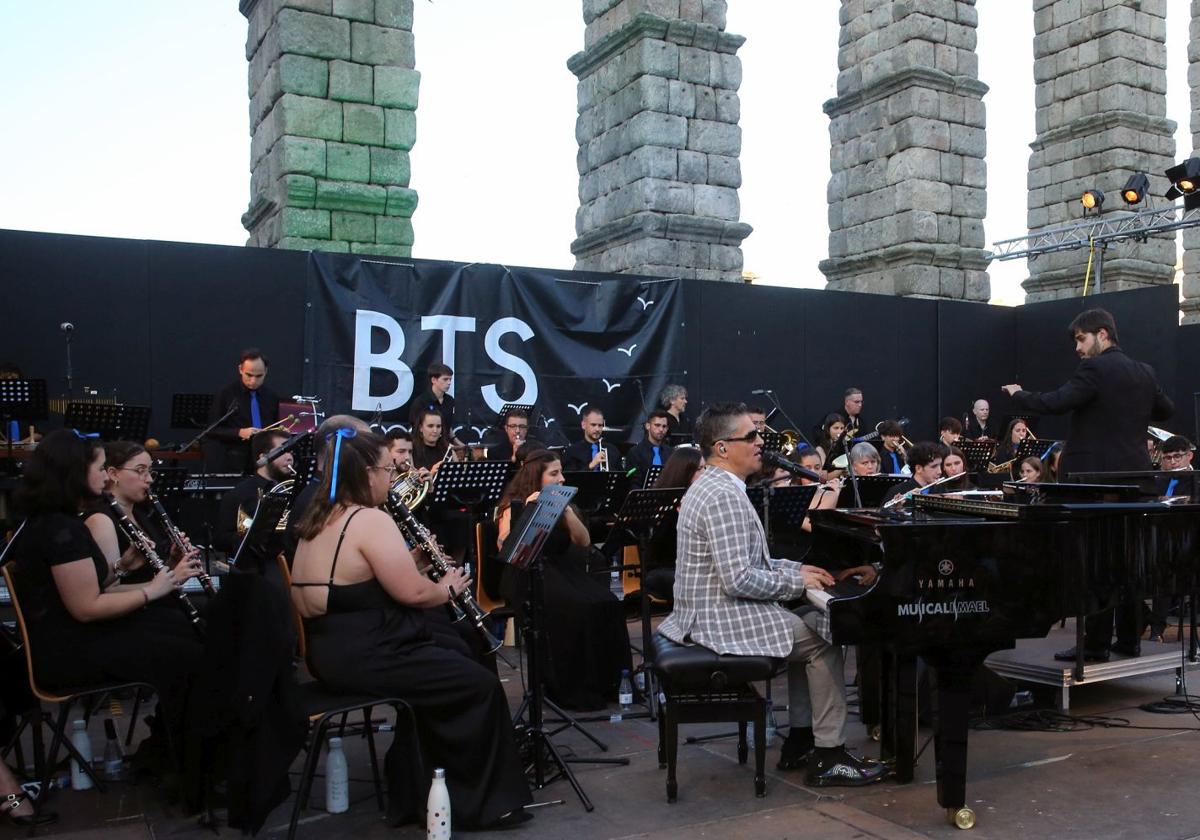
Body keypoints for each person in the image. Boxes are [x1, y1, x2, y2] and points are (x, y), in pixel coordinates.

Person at [290, 428, 530, 829]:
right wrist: (447, 585)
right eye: (387, 469)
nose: (392, 477)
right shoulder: (369, 519)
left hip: (331, 650)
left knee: (449, 655)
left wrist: (411, 564)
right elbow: (417, 596)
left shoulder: (320, 515)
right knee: (477, 683)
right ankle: (475, 803)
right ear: (367, 474)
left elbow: (360, 583)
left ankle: (413, 788)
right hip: (369, 653)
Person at [658, 402, 886, 786]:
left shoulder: (717, 486)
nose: (761, 442)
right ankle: (829, 754)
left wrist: (798, 569)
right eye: (750, 436)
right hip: (718, 620)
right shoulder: (722, 496)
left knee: (815, 623)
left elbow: (754, 562)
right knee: (825, 638)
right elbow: (738, 580)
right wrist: (798, 583)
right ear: (722, 447)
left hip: (712, 612)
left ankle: (800, 739)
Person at [8, 430, 204, 778]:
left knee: (182, 630)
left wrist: (123, 568)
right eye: (100, 468)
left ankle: (170, 749)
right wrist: (154, 589)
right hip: (65, 653)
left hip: (75, 637)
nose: (104, 475)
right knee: (184, 654)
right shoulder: (60, 530)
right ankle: (181, 763)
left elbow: (89, 590)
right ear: (74, 472)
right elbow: (86, 607)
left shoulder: (59, 522)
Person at [1003, 308, 1174, 661]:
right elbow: (1166, 409)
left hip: (1095, 484)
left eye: (1081, 339)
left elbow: (1056, 402)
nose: (1078, 349)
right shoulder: (1144, 371)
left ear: (1102, 333)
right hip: (1137, 483)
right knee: (1128, 563)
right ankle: (1129, 640)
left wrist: (1019, 395)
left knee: (1095, 563)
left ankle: (1095, 646)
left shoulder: (1095, 368)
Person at [496, 449, 631, 710]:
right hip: (526, 573)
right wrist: (529, 510)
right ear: (537, 478)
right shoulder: (514, 504)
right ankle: (570, 687)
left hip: (562, 569)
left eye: (561, 472)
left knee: (607, 602)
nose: (561, 478)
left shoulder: (563, 502)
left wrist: (567, 511)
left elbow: (584, 541)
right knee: (574, 608)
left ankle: (608, 684)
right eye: (554, 473)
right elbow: (506, 544)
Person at [214, 430, 294, 555]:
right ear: (263, 458)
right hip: (256, 566)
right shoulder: (238, 494)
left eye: (290, 451)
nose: (289, 457)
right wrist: (251, 536)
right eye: (282, 451)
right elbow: (220, 540)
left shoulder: (293, 488)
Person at [206, 348, 281, 473]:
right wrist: (239, 432)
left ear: (266, 371)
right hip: (235, 457)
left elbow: (275, 425)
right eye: (249, 375)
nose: (253, 381)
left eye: (259, 376)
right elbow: (211, 430)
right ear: (240, 369)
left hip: (263, 456)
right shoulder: (226, 394)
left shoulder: (271, 397)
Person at [408, 362, 467, 453]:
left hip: (444, 448)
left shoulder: (450, 401)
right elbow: (416, 429)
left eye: (450, 379)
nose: (449, 383)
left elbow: (447, 427)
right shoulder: (421, 402)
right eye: (445, 379)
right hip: (423, 449)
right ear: (434, 380)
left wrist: (457, 442)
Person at [882, 442, 946, 507]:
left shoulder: (941, 490)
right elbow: (883, 514)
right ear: (918, 468)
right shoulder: (897, 491)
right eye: (934, 466)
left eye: (940, 465)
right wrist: (896, 507)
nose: (939, 472)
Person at [561, 406, 615, 471]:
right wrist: (591, 465)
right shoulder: (572, 451)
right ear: (583, 425)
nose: (597, 429)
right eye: (593, 425)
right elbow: (570, 478)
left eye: (600, 425)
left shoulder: (613, 450)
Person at [624, 409, 674, 479]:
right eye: (657, 425)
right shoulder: (635, 452)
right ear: (648, 426)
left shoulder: (670, 452)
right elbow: (632, 481)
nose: (661, 429)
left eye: (664, 426)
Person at [814, 413, 847, 480]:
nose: (840, 432)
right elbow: (823, 477)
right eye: (836, 428)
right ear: (828, 430)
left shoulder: (845, 446)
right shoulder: (820, 449)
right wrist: (842, 469)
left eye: (842, 428)